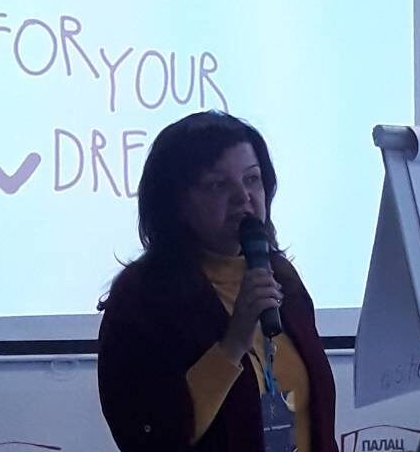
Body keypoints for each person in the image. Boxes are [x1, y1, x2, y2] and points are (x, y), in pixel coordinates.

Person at [97, 111, 338, 452]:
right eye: (217, 185)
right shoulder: (141, 298)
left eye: (252, 179)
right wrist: (234, 340)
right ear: (176, 202)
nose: (243, 197)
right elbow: (149, 434)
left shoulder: (282, 276)